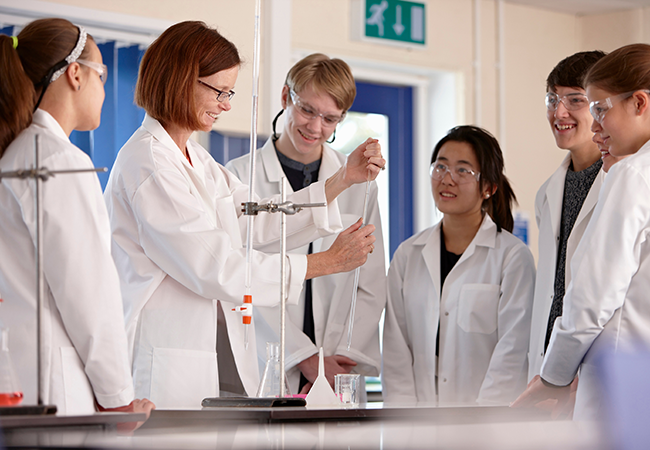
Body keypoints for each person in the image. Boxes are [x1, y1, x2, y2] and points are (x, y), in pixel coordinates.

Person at [103, 22, 385, 409]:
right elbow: (221, 269)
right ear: (181, 80)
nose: (226, 104)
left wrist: (343, 179)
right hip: (160, 360)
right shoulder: (150, 164)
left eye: (229, 92)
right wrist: (323, 262)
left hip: (191, 360)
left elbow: (259, 221)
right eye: (218, 91)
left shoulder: (196, 159)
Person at [0, 19, 154, 418]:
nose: (105, 89)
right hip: (54, 389)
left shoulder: (14, 155)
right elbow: (88, 294)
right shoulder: (59, 162)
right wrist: (118, 397)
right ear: (75, 74)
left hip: (18, 381)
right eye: (101, 75)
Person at [226, 54, 386, 395]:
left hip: (338, 367)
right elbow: (242, 275)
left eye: (330, 118)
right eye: (307, 110)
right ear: (286, 97)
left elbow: (369, 280)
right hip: (268, 359)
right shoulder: (240, 176)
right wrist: (302, 355)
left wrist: (341, 355)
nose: (315, 128)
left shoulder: (358, 182)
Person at [512, 44, 650, 420]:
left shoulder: (631, 176)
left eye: (598, 107)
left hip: (613, 375)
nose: (596, 122)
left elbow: (592, 296)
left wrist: (555, 374)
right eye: (552, 99)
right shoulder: (552, 192)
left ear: (639, 103)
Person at [382, 125, 535, 406]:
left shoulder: (512, 257)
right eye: (440, 167)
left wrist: (481, 423)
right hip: (418, 426)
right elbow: (396, 350)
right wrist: (403, 422)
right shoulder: (408, 255)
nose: (447, 179)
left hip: (485, 427)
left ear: (488, 187)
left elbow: (512, 353)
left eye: (463, 170)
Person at [527, 51, 607, 383]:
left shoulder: (622, 183)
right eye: (552, 99)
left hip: (596, 369)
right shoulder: (547, 194)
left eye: (574, 100)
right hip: (549, 366)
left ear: (601, 105)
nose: (559, 112)